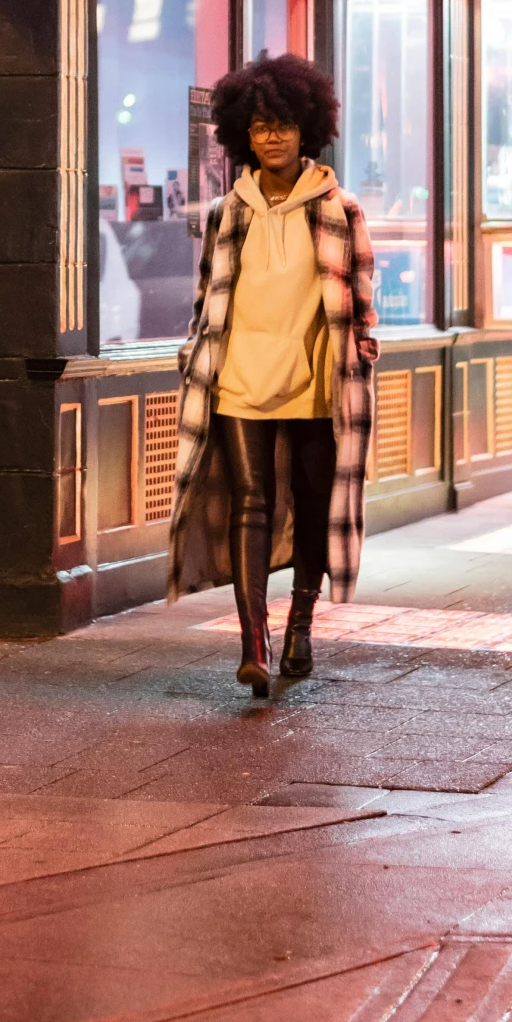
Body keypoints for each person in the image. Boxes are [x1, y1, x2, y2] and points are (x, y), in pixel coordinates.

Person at [167, 54, 379, 697]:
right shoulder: (225, 214)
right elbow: (207, 303)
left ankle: (302, 625)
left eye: (283, 124)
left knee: (313, 506)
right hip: (238, 381)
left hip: (316, 383)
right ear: (242, 135)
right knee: (250, 504)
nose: (272, 136)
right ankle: (252, 640)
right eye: (259, 126)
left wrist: (356, 361)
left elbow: (363, 309)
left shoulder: (341, 210)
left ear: (306, 128)